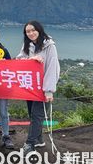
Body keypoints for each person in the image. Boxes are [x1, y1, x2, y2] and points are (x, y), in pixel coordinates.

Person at [16, 20, 60, 155]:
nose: (31, 33)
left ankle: (29, 144)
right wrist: (31, 59)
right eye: (28, 31)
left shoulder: (49, 46)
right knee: (33, 115)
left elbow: (52, 68)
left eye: (33, 30)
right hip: (31, 87)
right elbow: (19, 60)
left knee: (36, 115)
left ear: (39, 30)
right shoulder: (27, 45)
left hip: (43, 88)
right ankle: (39, 139)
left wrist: (48, 91)